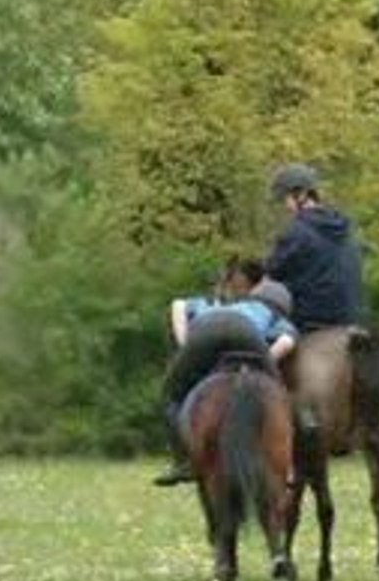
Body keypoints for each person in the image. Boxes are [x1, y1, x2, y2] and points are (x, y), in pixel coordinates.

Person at [153, 278, 298, 487]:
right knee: (278, 397)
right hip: (246, 333)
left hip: (205, 330)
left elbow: (178, 304)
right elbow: (286, 342)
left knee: (171, 394)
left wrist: (184, 344)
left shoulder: (222, 305)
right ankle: (289, 466)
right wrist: (261, 361)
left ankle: (184, 461)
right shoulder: (275, 316)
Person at [267, 163, 366, 332]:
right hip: (351, 321)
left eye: (285, 199)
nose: (286, 207)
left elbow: (271, 274)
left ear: (300, 195)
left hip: (309, 323)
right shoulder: (347, 230)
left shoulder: (296, 232)